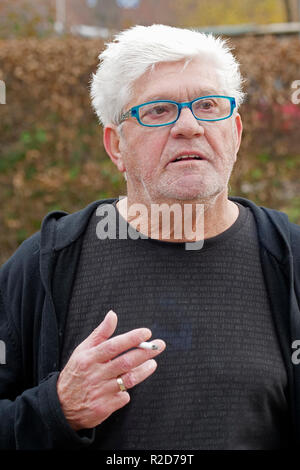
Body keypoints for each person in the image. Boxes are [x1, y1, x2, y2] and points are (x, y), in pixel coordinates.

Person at [0, 24, 300, 450]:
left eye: (209, 105)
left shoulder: (289, 260)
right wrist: (57, 409)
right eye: (159, 110)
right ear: (116, 146)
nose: (190, 126)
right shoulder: (48, 265)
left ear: (235, 132)